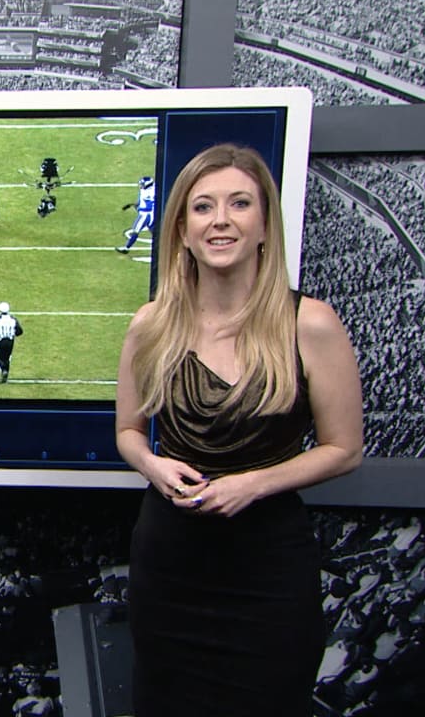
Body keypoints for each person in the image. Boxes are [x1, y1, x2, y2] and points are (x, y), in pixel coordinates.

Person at [114, 143, 363, 717]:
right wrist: (153, 465)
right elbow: (128, 430)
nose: (220, 219)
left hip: (266, 570)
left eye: (239, 203)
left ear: (263, 227)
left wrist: (251, 484)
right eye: (202, 207)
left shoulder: (311, 323)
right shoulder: (151, 324)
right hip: (171, 563)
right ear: (181, 229)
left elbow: (344, 449)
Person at [116, 175, 155, 253]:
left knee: (136, 231)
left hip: (145, 215)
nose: (141, 186)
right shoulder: (154, 189)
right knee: (154, 232)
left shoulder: (145, 193)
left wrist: (134, 206)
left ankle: (126, 248)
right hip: (152, 214)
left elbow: (143, 206)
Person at [0, 302, 22, 383]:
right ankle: (5, 375)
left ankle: (3, 371)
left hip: (1, 341)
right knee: (7, 358)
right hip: (10, 342)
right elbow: (20, 331)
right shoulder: (13, 319)